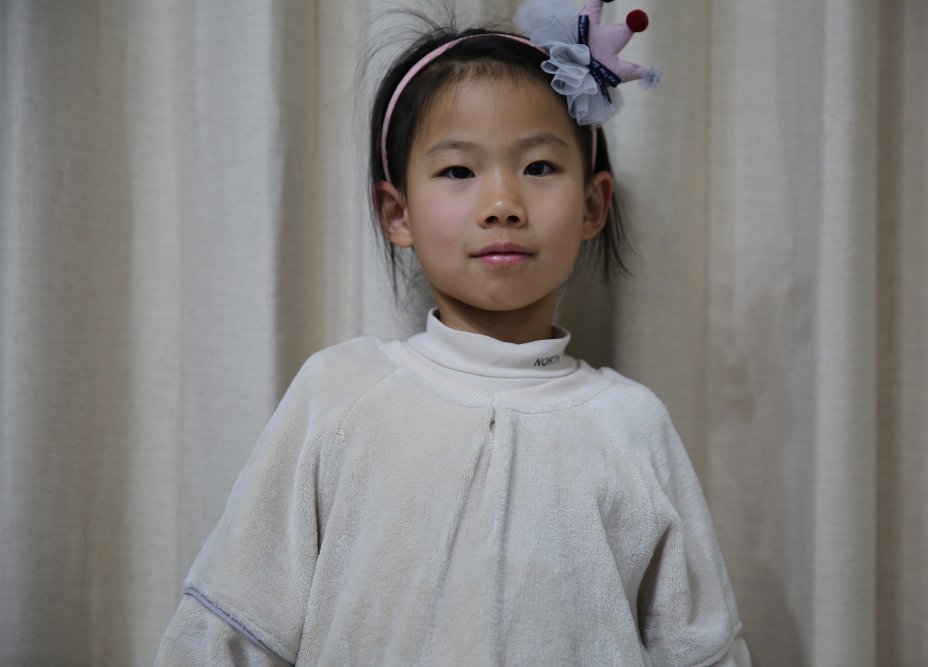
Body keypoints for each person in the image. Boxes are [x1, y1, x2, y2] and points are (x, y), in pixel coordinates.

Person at [155, 0, 750, 664]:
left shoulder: (632, 424)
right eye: (458, 171)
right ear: (397, 213)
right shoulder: (340, 394)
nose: (502, 205)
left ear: (592, 205)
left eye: (539, 167)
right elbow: (232, 625)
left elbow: (701, 647)